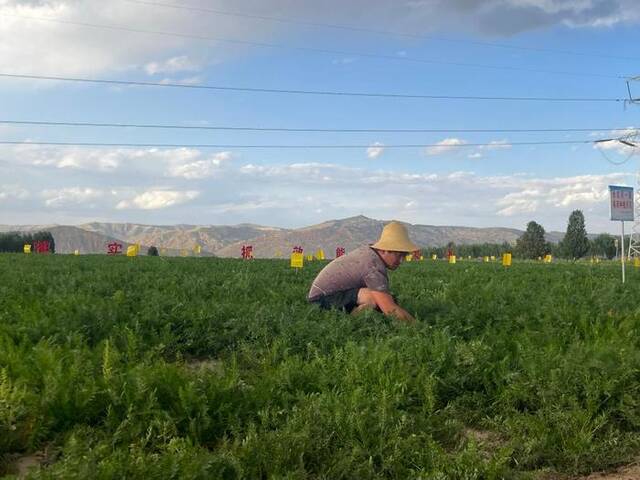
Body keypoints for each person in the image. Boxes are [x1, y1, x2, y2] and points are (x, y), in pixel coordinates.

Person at [307, 221, 417, 322]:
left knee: (384, 298)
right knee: (375, 299)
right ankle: (349, 324)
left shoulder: (370, 254)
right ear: (384, 250)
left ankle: (349, 320)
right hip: (321, 300)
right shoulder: (373, 266)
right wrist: (418, 326)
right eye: (399, 255)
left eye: (404, 255)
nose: (401, 260)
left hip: (327, 296)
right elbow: (390, 310)